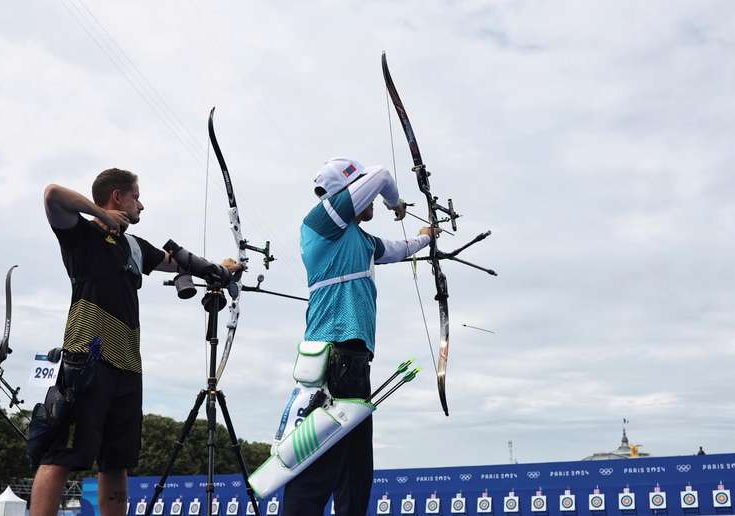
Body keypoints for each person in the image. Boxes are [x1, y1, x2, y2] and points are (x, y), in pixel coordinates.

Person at [33, 168, 239, 516]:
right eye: (136, 197)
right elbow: (53, 193)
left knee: (117, 462)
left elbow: (178, 263)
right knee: (62, 454)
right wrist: (100, 215)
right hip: (88, 357)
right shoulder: (80, 232)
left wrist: (219, 268)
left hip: (128, 364)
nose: (141, 205)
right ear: (117, 196)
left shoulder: (135, 247)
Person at [282, 157, 436, 516]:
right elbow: (382, 176)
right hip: (333, 354)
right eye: (360, 193)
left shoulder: (358, 239)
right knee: (319, 466)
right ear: (345, 192)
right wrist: (395, 204)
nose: (369, 205)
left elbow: (396, 250)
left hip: (353, 361)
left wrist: (425, 239)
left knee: (355, 471)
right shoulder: (321, 220)